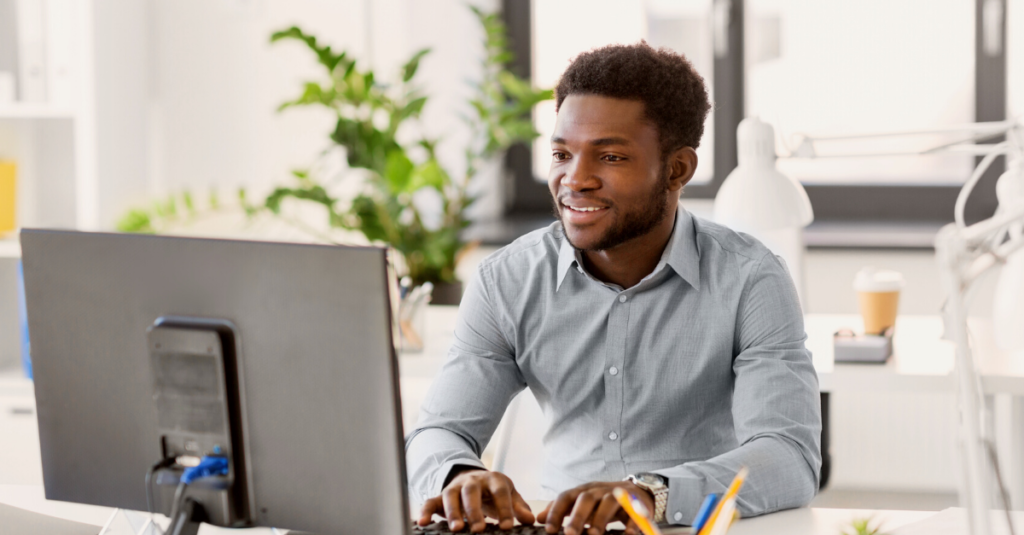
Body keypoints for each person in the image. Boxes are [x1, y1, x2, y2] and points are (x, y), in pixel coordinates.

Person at [406, 42, 821, 535]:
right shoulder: (507, 280)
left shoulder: (751, 279)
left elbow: (788, 456)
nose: (574, 180)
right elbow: (438, 431)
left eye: (609, 156)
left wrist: (650, 493)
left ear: (677, 169)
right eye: (561, 153)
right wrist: (459, 475)